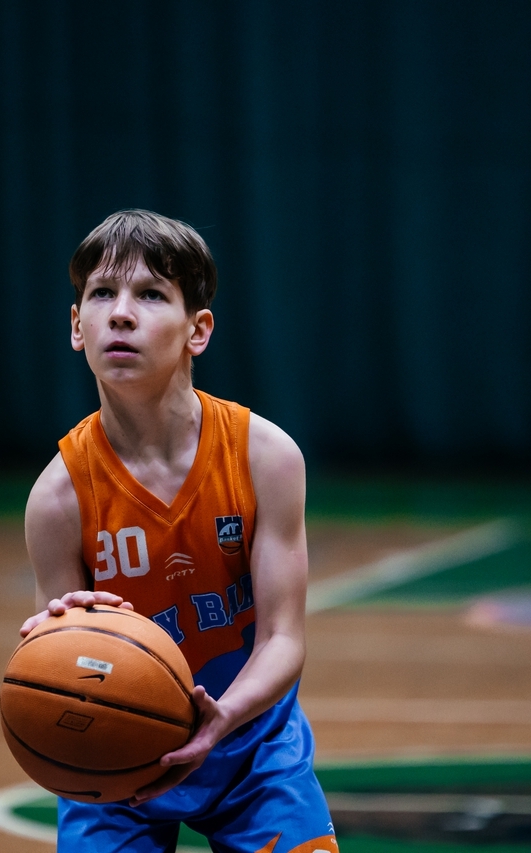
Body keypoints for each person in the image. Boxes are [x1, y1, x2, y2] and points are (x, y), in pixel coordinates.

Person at [20, 209, 338, 853]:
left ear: (198, 330)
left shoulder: (265, 458)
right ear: (77, 326)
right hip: (115, 762)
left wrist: (222, 720)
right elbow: (56, 668)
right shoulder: (57, 498)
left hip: (252, 747)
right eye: (102, 294)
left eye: (150, 294)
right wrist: (57, 639)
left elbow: (283, 638)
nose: (121, 314)